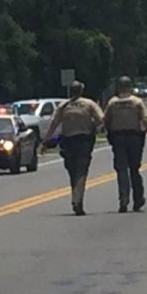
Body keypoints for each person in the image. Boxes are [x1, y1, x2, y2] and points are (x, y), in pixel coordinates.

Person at [41, 80, 104, 216]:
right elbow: (101, 119)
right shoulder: (89, 104)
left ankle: (76, 196)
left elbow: (54, 123)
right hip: (84, 141)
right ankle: (77, 199)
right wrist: (92, 125)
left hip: (68, 141)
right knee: (81, 171)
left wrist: (45, 142)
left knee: (72, 171)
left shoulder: (63, 105)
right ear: (81, 91)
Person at [104, 76, 147, 213]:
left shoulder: (112, 103)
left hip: (118, 139)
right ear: (130, 87)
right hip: (134, 138)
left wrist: (109, 133)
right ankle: (138, 198)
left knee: (121, 170)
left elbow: (106, 121)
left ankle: (123, 198)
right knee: (134, 169)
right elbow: (145, 121)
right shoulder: (136, 102)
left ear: (119, 87)